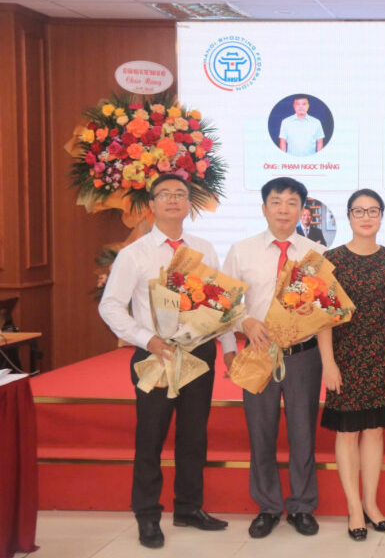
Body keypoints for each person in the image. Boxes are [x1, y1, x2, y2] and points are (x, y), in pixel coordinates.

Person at [98, 174, 234, 549]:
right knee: (151, 436)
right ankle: (147, 514)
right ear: (152, 205)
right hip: (156, 354)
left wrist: (229, 348)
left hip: (198, 353)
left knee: (194, 435)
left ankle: (189, 508)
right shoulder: (135, 254)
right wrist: (148, 339)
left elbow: (219, 304)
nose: (173, 200)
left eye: (180, 194)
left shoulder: (204, 248)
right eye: (165, 194)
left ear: (189, 204)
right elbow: (110, 306)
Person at [222, 177, 327, 539]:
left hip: (303, 356)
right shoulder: (241, 250)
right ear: (264, 208)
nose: (284, 209)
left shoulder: (316, 253)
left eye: (292, 202)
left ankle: (302, 506)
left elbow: (325, 308)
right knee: (261, 432)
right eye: (277, 202)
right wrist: (240, 330)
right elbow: (224, 303)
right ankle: (267, 506)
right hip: (257, 353)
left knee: (303, 433)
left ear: (302, 210)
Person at [319, 189, 385, 541]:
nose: (366, 217)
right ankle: (354, 509)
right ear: (348, 216)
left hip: (383, 357)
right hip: (345, 358)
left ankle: (371, 505)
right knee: (347, 432)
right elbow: (324, 317)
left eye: (373, 211)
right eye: (358, 211)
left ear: (381, 216)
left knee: (374, 430)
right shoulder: (331, 260)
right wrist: (328, 363)